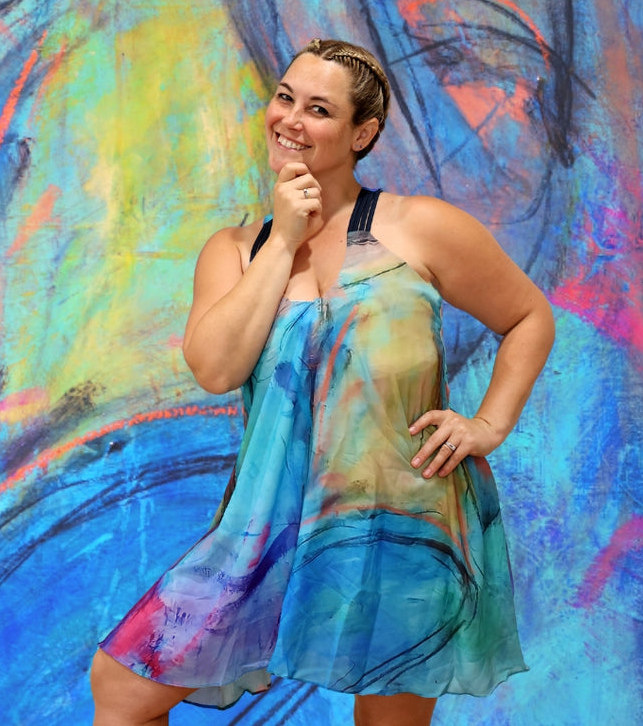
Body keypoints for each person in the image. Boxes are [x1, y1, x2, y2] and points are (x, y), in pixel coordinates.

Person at [86, 38, 555, 726]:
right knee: (122, 689)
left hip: (403, 523)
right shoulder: (236, 250)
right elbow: (216, 369)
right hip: (264, 527)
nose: (291, 119)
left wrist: (488, 424)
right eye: (285, 98)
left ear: (362, 133)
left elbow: (528, 317)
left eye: (319, 109)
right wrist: (283, 241)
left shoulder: (418, 228)